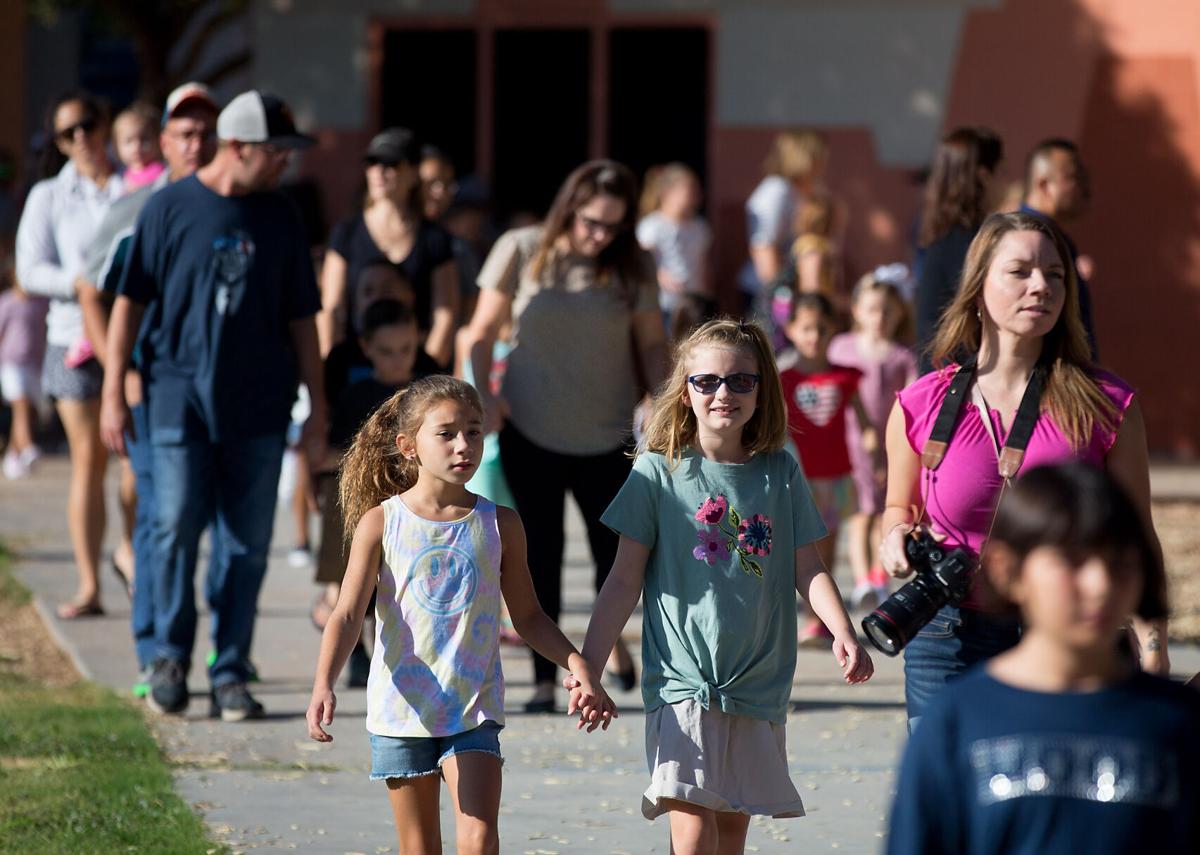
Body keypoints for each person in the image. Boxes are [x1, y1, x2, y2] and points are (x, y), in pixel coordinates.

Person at [567, 318, 872, 854]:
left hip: (757, 681)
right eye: (706, 381)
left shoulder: (780, 472)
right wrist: (588, 664)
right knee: (692, 829)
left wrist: (843, 631)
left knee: (731, 830)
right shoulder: (656, 472)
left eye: (740, 381)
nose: (723, 393)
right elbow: (622, 579)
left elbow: (808, 568)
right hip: (681, 679)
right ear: (684, 392)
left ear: (762, 390)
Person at [880, 211, 1169, 730]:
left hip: (1071, 631)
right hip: (946, 635)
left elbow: (1137, 535)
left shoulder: (1107, 405)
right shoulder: (920, 404)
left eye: (1055, 275)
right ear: (977, 288)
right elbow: (898, 507)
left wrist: (1154, 649)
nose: (1041, 286)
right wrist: (894, 537)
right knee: (953, 775)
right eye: (1020, 271)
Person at [305, 375, 615, 855]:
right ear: (409, 446)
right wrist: (323, 683)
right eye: (446, 434)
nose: (463, 445)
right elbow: (346, 615)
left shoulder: (500, 523)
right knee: (420, 847)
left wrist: (577, 664)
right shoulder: (382, 523)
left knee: (479, 838)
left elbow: (529, 616)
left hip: (473, 708)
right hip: (402, 711)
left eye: (473, 431)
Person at [100, 90, 325, 722]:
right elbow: (128, 302)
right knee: (172, 527)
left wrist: (318, 404)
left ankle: (229, 669)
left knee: (246, 543)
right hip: (175, 399)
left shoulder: (281, 215)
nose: (284, 162)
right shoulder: (168, 207)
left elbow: (303, 317)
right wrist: (114, 391)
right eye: (276, 151)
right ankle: (168, 657)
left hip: (260, 405)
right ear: (239, 147)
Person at [886, 463, 1199, 855]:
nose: (1100, 585)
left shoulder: (1176, 722)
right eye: (1073, 561)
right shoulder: (955, 722)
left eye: (1120, 563)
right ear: (1007, 569)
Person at [462, 159, 667, 712]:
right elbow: (479, 333)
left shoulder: (633, 265)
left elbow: (652, 342)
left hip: (608, 434)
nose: (599, 236)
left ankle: (600, 659)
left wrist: (664, 398)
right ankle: (545, 680)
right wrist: (484, 397)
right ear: (569, 208)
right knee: (538, 556)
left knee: (615, 556)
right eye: (591, 223)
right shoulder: (522, 248)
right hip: (530, 429)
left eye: (613, 227)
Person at [74, 81, 220, 694]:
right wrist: (121, 373)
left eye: (207, 131)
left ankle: (219, 656)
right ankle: (154, 650)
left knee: (212, 528)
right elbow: (92, 291)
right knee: (163, 518)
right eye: (184, 132)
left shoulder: (234, 203)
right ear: (164, 140)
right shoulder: (138, 208)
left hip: (216, 395)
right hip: (151, 390)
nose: (197, 144)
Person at [16, 89, 125, 618]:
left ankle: (129, 556)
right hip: (73, 338)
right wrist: (78, 283)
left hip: (130, 337)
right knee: (89, 460)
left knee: (134, 463)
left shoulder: (133, 184)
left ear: (104, 124)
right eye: (67, 132)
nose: (81, 137)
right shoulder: (49, 196)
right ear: (58, 142)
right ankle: (89, 583)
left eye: (87, 124)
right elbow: (29, 270)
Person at [311, 298, 423, 672]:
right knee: (352, 580)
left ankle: (383, 656)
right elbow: (334, 454)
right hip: (359, 501)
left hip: (409, 502)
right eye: (387, 351)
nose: (397, 359)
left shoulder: (424, 396)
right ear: (367, 348)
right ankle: (355, 652)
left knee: (392, 583)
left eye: (406, 349)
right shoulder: (355, 395)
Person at [778, 294, 876, 642]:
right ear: (791, 329)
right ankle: (805, 613)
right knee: (802, 546)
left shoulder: (843, 377)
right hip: (799, 478)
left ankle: (820, 618)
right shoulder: (783, 379)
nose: (814, 336)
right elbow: (777, 426)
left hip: (837, 476)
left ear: (833, 329)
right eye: (806, 328)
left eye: (821, 328)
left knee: (829, 548)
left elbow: (864, 421)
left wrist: (873, 449)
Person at [318, 128, 459, 370]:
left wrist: (426, 373)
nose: (379, 172)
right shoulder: (346, 232)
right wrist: (330, 370)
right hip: (354, 368)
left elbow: (445, 315)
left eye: (391, 164)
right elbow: (332, 309)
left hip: (415, 371)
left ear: (414, 173)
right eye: (372, 163)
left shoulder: (434, 238)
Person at [828, 271, 917, 608]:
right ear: (857, 310)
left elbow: (912, 397)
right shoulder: (842, 347)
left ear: (899, 314)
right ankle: (863, 578)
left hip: (890, 447)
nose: (879, 317)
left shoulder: (902, 355)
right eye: (872, 309)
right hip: (848, 444)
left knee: (884, 511)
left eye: (887, 311)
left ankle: (879, 580)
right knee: (858, 513)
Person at [914, 127, 1002, 374]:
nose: (1005, 182)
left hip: (942, 371)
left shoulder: (938, 234)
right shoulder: (973, 242)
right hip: (957, 376)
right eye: (1003, 171)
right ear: (984, 176)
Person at [739, 130, 829, 319]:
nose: (822, 166)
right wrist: (779, 302)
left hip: (785, 290)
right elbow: (763, 248)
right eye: (818, 158)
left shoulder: (794, 192)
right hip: (768, 293)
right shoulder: (776, 191)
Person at [1021, 138, 1098, 357]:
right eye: (1074, 177)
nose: (1085, 188)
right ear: (1044, 185)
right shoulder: (1026, 240)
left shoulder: (1056, 238)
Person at [636, 162, 713, 340]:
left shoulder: (700, 227)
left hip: (693, 301)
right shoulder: (652, 226)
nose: (693, 198)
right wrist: (661, 276)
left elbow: (705, 262)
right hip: (665, 302)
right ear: (667, 194)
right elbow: (642, 260)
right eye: (687, 192)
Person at [0, 279, 49, 478]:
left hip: (36, 364)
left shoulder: (42, 302)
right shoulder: (7, 302)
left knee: (28, 411)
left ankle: (13, 456)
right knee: (21, 405)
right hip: (11, 363)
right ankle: (28, 447)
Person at [111, 102, 165, 191]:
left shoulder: (162, 172)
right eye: (129, 141)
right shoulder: (119, 177)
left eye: (144, 139)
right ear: (116, 146)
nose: (137, 146)